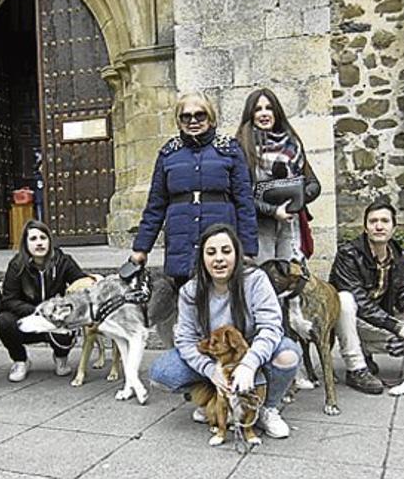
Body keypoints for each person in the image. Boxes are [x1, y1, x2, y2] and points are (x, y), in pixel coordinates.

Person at [148, 223, 301, 439]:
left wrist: (249, 364)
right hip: (215, 356)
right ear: (202, 258)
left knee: (288, 354)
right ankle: (214, 401)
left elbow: (271, 326)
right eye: (211, 252)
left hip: (250, 352)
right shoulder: (191, 291)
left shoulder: (255, 281)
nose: (219, 258)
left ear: (237, 255)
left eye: (226, 251)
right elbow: (184, 339)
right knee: (161, 372)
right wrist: (211, 370)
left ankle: (268, 407)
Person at [131, 91, 258, 287]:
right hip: (181, 238)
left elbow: (245, 203)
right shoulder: (168, 154)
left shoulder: (230, 150)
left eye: (200, 115)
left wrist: (248, 249)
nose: (193, 121)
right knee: (185, 303)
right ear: (178, 121)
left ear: (211, 118)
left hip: (220, 236)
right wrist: (141, 249)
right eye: (186, 116)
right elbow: (155, 206)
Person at [329, 200, 404, 395]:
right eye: (373, 221)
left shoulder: (399, 255)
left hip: (377, 319)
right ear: (365, 227)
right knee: (345, 299)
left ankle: (366, 352)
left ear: (394, 227)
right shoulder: (349, 254)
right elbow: (360, 302)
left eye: (384, 221)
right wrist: (397, 327)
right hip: (346, 320)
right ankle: (356, 369)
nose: (379, 226)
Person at [0, 220, 88, 382]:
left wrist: (64, 308)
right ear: (25, 243)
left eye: (43, 238)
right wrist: (38, 312)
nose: (39, 243)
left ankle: (61, 357)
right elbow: (9, 300)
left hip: (57, 321)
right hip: (29, 319)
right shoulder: (17, 265)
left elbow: (80, 284)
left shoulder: (63, 261)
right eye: (33, 239)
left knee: (70, 320)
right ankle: (20, 361)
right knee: (4, 321)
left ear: (49, 240)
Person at [236, 88, 320, 262]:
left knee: (291, 276)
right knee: (262, 276)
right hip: (259, 226)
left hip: (290, 223)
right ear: (250, 114)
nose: (264, 113)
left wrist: (296, 201)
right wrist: (273, 211)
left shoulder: (293, 144)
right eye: (258, 109)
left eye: (269, 108)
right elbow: (240, 194)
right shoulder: (242, 147)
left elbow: (313, 184)